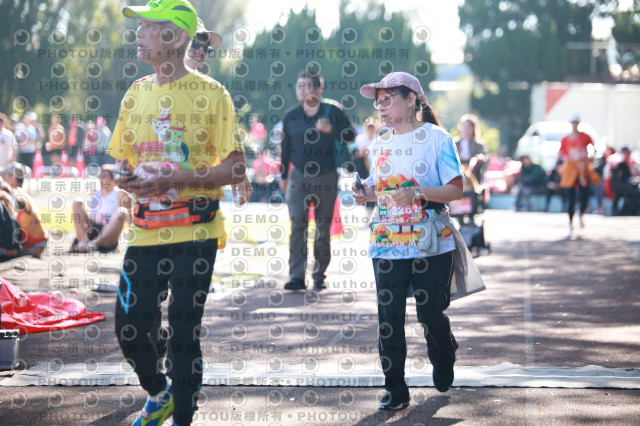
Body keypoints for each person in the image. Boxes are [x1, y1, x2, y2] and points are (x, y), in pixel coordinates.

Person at [111, 1, 246, 424]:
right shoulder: (136, 93)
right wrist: (125, 177)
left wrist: (179, 177)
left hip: (196, 230)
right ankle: (159, 392)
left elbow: (236, 167)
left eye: (148, 26)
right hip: (145, 230)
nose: (138, 33)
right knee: (129, 326)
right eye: (139, 26)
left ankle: (183, 415)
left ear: (175, 37)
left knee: (184, 332)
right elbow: (121, 161)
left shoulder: (213, 94)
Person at [353, 72, 484, 410]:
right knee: (389, 317)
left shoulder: (437, 138)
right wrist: (364, 192)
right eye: (378, 102)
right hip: (386, 240)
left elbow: (455, 189)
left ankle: (444, 352)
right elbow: (380, 189)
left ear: (411, 99)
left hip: (430, 241)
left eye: (388, 99)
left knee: (430, 312)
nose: (381, 107)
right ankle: (395, 388)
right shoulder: (379, 143)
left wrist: (419, 192)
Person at [279, 71, 356, 291]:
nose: (302, 90)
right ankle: (296, 276)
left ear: (318, 89)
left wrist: (331, 129)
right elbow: (285, 149)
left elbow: (350, 135)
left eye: (307, 86)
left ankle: (319, 275)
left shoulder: (333, 111)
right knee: (298, 226)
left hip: (327, 176)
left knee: (323, 227)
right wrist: (283, 177)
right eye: (299, 86)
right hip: (298, 177)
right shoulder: (291, 115)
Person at [185, 18, 253, 205]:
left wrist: (239, 173)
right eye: (195, 43)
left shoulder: (214, 93)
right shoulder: (146, 88)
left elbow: (225, 142)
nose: (201, 51)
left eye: (206, 47)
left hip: (200, 199)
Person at [70, 165, 131, 253]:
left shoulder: (120, 194)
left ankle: (94, 243)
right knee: (77, 202)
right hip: (93, 227)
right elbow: (91, 214)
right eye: (100, 176)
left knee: (122, 212)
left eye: (104, 176)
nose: (101, 179)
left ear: (113, 179)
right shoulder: (95, 192)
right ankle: (83, 242)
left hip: (108, 230)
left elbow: (128, 217)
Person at [558, 113, 600, 235]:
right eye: (573, 122)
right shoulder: (565, 139)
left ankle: (581, 214)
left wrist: (589, 158)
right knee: (571, 198)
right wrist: (558, 165)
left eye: (576, 122)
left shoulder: (585, 137)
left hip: (582, 170)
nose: (574, 125)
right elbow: (560, 153)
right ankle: (571, 223)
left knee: (584, 196)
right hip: (570, 170)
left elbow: (594, 149)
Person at [0, 162, 47, 257]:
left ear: (13, 177)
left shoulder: (12, 197)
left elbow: (10, 224)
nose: (2, 177)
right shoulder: (23, 194)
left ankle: (15, 251)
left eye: (4, 175)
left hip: (31, 245)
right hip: (41, 242)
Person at [455, 114, 487, 184]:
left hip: (473, 171)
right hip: (458, 170)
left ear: (473, 128)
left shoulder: (479, 144)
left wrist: (480, 158)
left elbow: (484, 158)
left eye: (469, 127)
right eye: (464, 126)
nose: (466, 129)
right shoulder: (455, 143)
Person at [611, 147, 639, 215]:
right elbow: (618, 178)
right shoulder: (619, 163)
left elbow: (634, 175)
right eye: (627, 153)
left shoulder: (631, 163)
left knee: (636, 192)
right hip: (620, 186)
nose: (628, 155)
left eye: (629, 153)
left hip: (628, 186)